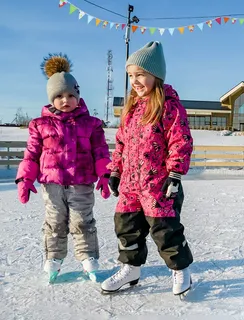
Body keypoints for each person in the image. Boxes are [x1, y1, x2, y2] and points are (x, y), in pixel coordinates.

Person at [101, 41, 194, 296]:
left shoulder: (169, 106)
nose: (135, 81)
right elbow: (121, 142)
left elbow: (180, 140)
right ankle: (131, 268)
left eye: (140, 74)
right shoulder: (131, 109)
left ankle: (181, 270)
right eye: (131, 75)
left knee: (166, 230)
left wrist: (174, 175)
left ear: (156, 75)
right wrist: (115, 171)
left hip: (158, 184)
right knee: (126, 226)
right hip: (131, 184)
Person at [15, 53, 111, 283]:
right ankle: (53, 260)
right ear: (51, 98)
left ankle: (89, 259)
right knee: (55, 222)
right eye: (59, 95)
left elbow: (100, 151)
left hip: (81, 183)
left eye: (70, 95)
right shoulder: (39, 125)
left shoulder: (91, 124)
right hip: (52, 185)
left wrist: (105, 175)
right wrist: (25, 179)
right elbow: (31, 153)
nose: (65, 100)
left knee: (82, 221)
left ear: (78, 96)